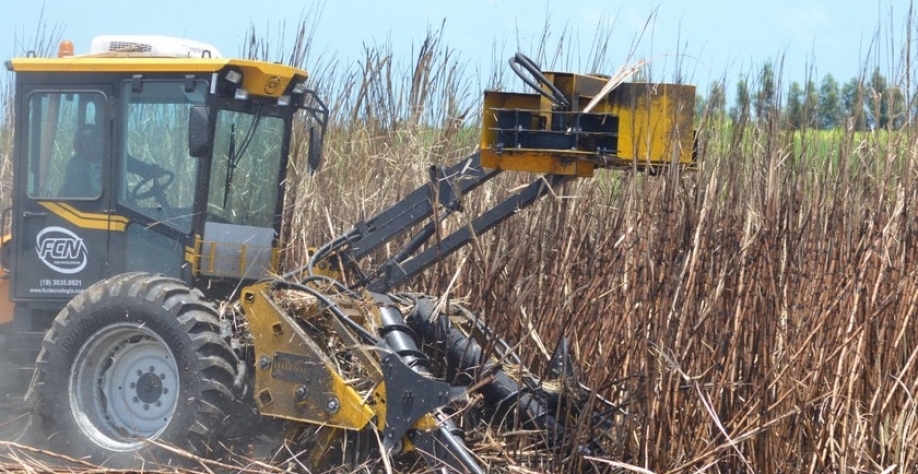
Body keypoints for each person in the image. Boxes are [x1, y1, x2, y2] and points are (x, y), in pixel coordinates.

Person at [58, 124, 166, 198]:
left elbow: (135, 166)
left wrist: (151, 170)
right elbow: (79, 194)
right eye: (88, 145)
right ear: (79, 147)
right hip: (92, 213)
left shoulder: (113, 157)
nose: (94, 148)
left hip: (120, 208)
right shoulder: (75, 166)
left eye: (97, 143)